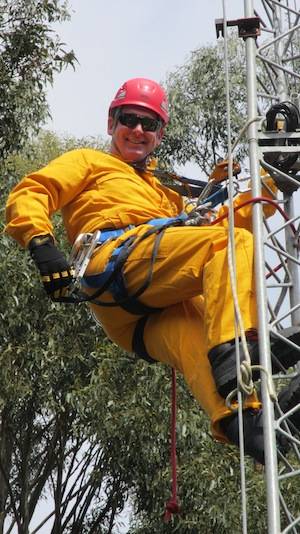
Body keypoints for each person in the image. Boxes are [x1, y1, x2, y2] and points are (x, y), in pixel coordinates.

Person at [5, 77, 300, 464]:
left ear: (161, 134)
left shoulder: (167, 196)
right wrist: (42, 245)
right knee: (230, 248)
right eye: (129, 119)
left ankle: (254, 426)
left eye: (150, 124)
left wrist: (267, 182)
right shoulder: (89, 162)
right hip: (115, 262)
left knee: (202, 345)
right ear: (112, 123)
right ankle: (242, 349)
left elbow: (224, 227)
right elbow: (32, 192)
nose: (138, 130)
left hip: (142, 317)